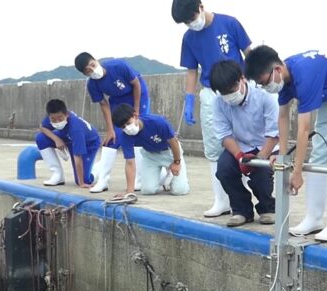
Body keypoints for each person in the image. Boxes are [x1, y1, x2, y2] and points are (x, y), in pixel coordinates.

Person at [244, 46, 327, 242]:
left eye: (264, 82)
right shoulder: (285, 78)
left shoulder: (305, 74)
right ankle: (314, 218)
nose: (266, 87)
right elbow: (283, 117)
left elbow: (304, 129)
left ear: (277, 69)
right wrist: (283, 156)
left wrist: (296, 173)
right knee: (319, 157)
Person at [171, 0, 252, 217]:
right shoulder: (188, 38)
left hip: (239, 87)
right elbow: (191, 70)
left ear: (200, 6)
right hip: (211, 93)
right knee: (214, 147)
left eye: (191, 18)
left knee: (243, 142)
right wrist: (189, 98)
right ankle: (221, 200)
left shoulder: (229, 23)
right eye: (185, 23)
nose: (191, 24)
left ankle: (243, 200)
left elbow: (249, 52)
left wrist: (253, 83)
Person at [73, 52, 159, 193]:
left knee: (136, 132)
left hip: (137, 96)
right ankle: (103, 181)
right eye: (88, 71)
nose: (93, 71)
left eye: (93, 65)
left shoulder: (119, 66)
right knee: (111, 140)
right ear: (85, 74)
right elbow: (104, 104)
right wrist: (110, 129)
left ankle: (139, 178)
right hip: (117, 102)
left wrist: (137, 111)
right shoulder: (92, 85)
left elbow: (136, 84)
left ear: (96, 60)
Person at [209, 60, 278, 227]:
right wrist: (240, 156)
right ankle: (241, 210)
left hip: (265, 145)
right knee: (224, 170)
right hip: (239, 147)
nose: (228, 95)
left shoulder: (265, 97)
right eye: (223, 92)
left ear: (242, 79)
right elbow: (224, 135)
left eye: (231, 89)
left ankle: (267, 208)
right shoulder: (219, 103)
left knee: (261, 175)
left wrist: (260, 157)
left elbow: (274, 133)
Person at [110, 103, 189, 199]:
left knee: (179, 191)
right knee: (148, 190)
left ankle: (176, 178)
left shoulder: (157, 122)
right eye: (123, 127)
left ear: (135, 116)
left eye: (128, 123)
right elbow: (129, 162)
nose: (127, 128)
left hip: (170, 153)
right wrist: (129, 192)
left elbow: (174, 142)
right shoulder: (125, 136)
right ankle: (163, 176)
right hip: (150, 155)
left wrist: (177, 162)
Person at [35, 99, 100, 187]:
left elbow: (78, 156)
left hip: (88, 143)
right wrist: (56, 139)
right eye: (53, 119)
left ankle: (100, 167)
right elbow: (42, 127)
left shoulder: (76, 129)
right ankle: (57, 175)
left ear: (67, 114)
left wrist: (81, 183)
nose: (57, 122)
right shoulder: (52, 116)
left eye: (60, 118)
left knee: (84, 180)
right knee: (40, 138)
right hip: (67, 136)